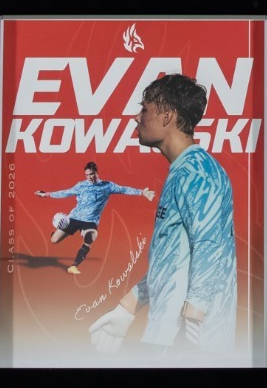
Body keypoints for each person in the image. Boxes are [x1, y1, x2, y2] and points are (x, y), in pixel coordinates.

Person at [88, 73, 239, 355]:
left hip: (187, 342)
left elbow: (209, 248)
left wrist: (192, 328)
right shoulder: (185, 170)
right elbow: (174, 259)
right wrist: (129, 307)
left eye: (144, 109)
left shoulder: (198, 173)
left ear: (167, 116)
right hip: (168, 336)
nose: (137, 117)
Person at [35, 161, 155, 275]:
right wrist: (46, 194)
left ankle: (74, 266)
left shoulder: (107, 186)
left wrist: (142, 193)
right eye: (87, 175)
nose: (89, 177)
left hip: (90, 221)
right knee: (54, 240)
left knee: (91, 237)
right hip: (74, 218)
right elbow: (66, 192)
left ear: (97, 173)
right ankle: (55, 233)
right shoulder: (81, 185)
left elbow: (124, 190)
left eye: (91, 174)